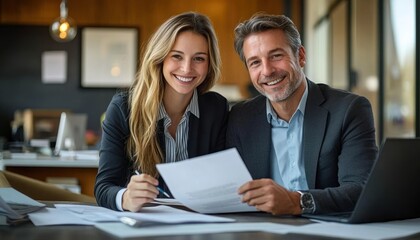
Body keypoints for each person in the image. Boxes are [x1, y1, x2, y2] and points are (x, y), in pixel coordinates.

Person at [227, 13, 378, 215]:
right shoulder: (240, 117)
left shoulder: (349, 110)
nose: (267, 70)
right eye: (255, 62)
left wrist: (296, 201)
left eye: (276, 56)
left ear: (301, 56)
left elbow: (361, 189)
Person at [95, 12, 228, 212]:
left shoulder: (216, 108)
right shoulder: (123, 108)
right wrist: (126, 198)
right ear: (160, 58)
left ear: (209, 65)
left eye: (199, 59)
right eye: (176, 56)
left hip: (198, 224)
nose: (186, 68)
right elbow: (103, 188)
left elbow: (222, 179)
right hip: (144, 224)